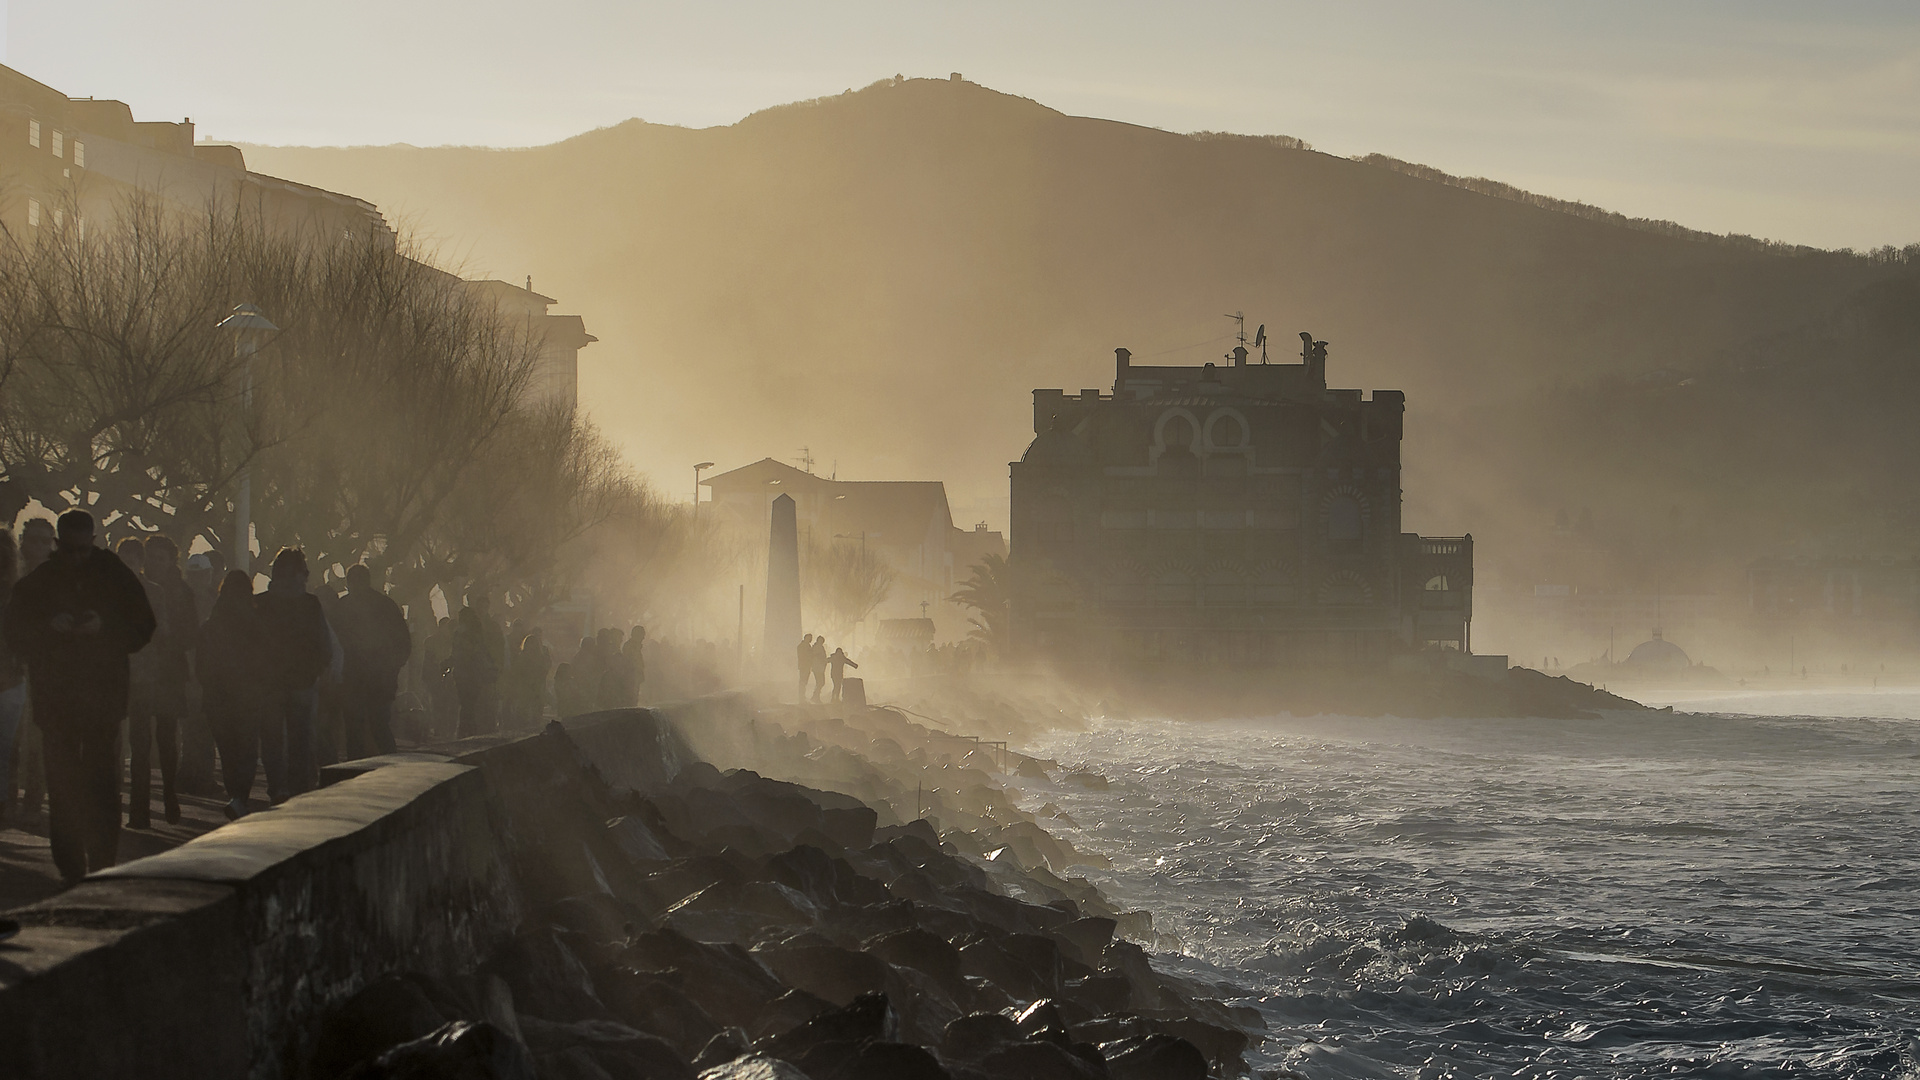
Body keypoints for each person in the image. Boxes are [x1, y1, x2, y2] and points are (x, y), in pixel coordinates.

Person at [5, 510, 155, 882]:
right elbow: (14, 630)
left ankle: (103, 858)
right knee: (62, 783)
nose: (76, 558)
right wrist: (46, 627)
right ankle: (71, 864)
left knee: (103, 782)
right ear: (59, 543)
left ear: (93, 540)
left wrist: (103, 627)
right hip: (57, 700)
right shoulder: (40, 582)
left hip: (103, 697)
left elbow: (143, 625)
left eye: (82, 550)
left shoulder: (113, 574)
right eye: (69, 550)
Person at [253, 548, 331, 803]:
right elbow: (323, 644)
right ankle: (299, 786)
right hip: (301, 681)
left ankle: (277, 786)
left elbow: (249, 643)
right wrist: (315, 671)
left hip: (268, 681)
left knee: (272, 738)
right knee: (301, 737)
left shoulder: (261, 603)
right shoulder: (310, 604)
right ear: (301, 573)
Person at [116, 537, 176, 829]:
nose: (128, 565)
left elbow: (162, 633)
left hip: (138, 677)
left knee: (138, 746)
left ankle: (138, 810)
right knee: (119, 745)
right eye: (124, 560)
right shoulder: (148, 592)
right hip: (120, 676)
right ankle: (122, 809)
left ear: (141, 563)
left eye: (132, 560)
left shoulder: (153, 593)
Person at [140, 536, 198, 823]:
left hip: (169, 671)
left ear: (171, 560)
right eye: (150, 557)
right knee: (139, 739)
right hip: (140, 670)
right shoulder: (135, 587)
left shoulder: (182, 592)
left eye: (160, 558)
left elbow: (190, 633)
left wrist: (168, 639)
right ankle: (140, 805)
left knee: (166, 737)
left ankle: (169, 794)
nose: (154, 563)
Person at [198, 570, 263, 818]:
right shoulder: (256, 623)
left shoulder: (211, 625)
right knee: (246, 749)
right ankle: (240, 797)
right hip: (248, 697)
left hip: (217, 698)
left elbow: (202, 666)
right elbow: (265, 661)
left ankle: (235, 794)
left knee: (227, 751)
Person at [332, 564, 412, 758]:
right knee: (377, 726)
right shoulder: (385, 605)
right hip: (375, 678)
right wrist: (392, 669)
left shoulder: (342, 607)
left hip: (357, 677)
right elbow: (403, 643)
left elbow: (332, 642)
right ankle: (390, 769)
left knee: (356, 728)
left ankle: (356, 771)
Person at [12, 517, 54, 817]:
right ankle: (8, 797)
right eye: (33, 539)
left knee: (40, 739)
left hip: (48, 669)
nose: (38, 545)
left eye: (44, 540)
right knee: (10, 737)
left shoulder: (61, 577)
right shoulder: (9, 573)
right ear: (23, 541)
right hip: (10, 666)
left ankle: (33, 801)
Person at [451, 595, 504, 736]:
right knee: (471, 704)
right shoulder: (472, 631)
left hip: (472, 673)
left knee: (471, 705)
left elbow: (495, 650)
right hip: (475, 673)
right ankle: (470, 731)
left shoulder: (485, 628)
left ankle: (469, 731)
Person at [0, 529, 22, 826]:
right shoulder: (19, 593)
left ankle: (5, 803)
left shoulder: (19, 594)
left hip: (11, 679)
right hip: (13, 680)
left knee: (6, 748)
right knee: (6, 749)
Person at [811, 635, 830, 703]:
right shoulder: (817, 647)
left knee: (820, 682)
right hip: (818, 667)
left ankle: (815, 696)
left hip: (819, 667)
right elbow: (818, 657)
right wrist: (824, 660)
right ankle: (815, 696)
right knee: (820, 682)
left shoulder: (818, 647)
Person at [796, 634, 814, 703]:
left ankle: (802, 696)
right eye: (810, 638)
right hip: (804, 666)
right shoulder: (802, 646)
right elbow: (804, 656)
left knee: (804, 681)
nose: (811, 639)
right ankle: (801, 696)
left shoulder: (806, 645)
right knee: (803, 681)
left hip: (806, 665)